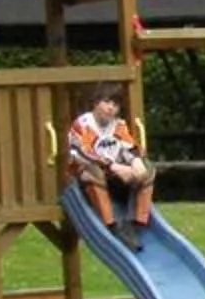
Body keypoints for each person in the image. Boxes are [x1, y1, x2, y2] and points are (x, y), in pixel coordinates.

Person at [65, 82, 157, 250]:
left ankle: (135, 222)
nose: (110, 108)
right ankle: (110, 223)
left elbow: (129, 147)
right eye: (106, 102)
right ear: (96, 103)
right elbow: (84, 153)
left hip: (114, 177)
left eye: (115, 105)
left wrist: (136, 162)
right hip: (87, 177)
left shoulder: (118, 125)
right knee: (93, 172)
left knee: (147, 169)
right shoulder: (84, 124)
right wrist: (114, 167)